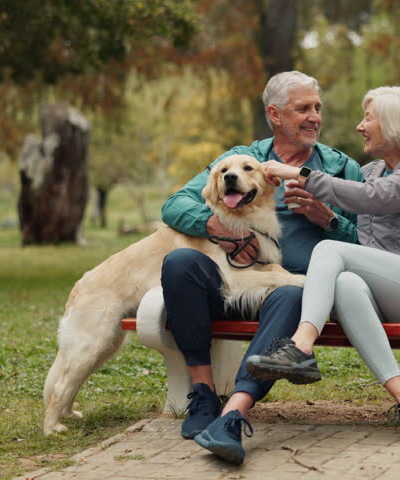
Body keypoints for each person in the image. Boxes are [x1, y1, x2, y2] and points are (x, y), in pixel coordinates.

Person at [159, 71, 365, 464]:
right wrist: (212, 224)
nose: (314, 117)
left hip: (292, 296)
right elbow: (174, 205)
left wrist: (329, 220)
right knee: (181, 262)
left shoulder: (340, 169)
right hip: (234, 283)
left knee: (290, 291)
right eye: (303, 108)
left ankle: (233, 414)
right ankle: (202, 394)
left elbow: (371, 243)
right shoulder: (240, 161)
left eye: (317, 108)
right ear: (275, 114)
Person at [248, 86, 400, 447]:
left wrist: (294, 172)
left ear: (394, 123)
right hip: (390, 292)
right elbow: (365, 243)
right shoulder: (372, 170)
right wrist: (329, 220)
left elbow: (373, 199)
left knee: (332, 253)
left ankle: (301, 346)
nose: (359, 127)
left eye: (368, 118)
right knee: (345, 283)